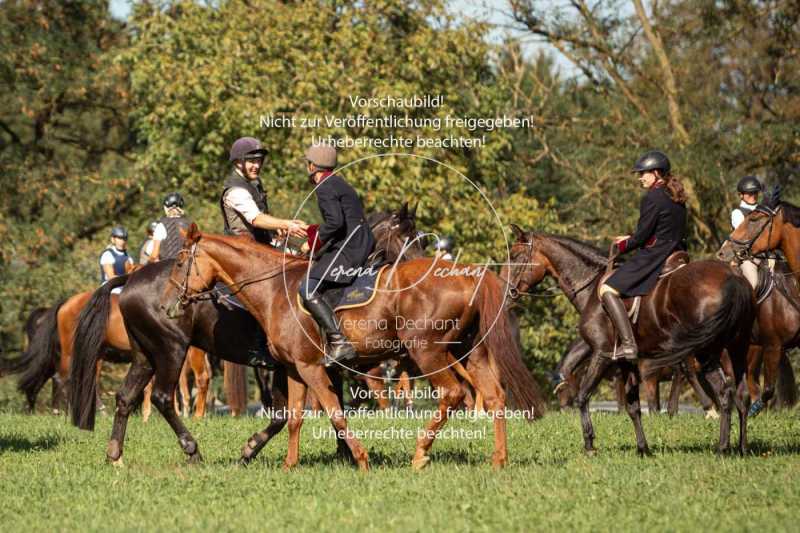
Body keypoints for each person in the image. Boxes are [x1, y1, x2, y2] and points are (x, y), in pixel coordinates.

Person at [598, 150, 688, 361]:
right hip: (678, 252)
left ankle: (629, 345)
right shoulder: (676, 195)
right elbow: (662, 229)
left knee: (607, 288)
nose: (640, 178)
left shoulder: (652, 197)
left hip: (655, 255)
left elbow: (641, 238)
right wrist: (632, 237)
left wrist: (622, 245)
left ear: (656, 172)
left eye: (644, 173)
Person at [299, 143, 375, 367]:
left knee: (307, 288)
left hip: (349, 248)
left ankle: (339, 341)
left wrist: (310, 243)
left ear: (313, 166)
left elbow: (335, 223)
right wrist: (310, 230)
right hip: (360, 241)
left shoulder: (323, 187)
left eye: (307, 165)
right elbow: (343, 221)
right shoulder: (339, 183)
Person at [220, 137, 308, 244]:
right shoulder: (236, 191)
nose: (257, 166)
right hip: (244, 252)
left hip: (261, 245)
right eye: (252, 161)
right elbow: (257, 219)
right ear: (238, 162)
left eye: (259, 160)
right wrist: (286, 224)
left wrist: (276, 228)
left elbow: (262, 214)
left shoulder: (254, 181)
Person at [731, 175, 763, 288]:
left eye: (755, 192)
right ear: (741, 195)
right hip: (748, 257)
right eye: (750, 193)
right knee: (753, 284)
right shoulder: (737, 213)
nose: (753, 196)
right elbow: (747, 238)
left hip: (768, 254)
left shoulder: (763, 210)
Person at [150, 192, 192, 262]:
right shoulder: (190, 224)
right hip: (187, 268)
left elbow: (154, 255)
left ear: (166, 207)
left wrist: (148, 262)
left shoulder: (161, 226)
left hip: (168, 269)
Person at [99, 226, 134, 294]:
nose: (122, 241)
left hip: (124, 286)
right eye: (119, 238)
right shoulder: (107, 254)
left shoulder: (129, 257)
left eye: (124, 239)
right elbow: (111, 277)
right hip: (110, 286)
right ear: (113, 239)